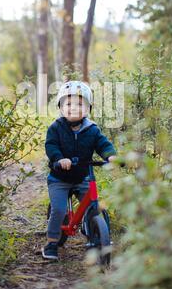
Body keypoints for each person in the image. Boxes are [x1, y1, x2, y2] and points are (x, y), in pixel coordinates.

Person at [42, 80, 117, 260]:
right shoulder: (56, 128)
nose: (73, 108)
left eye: (79, 104)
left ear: (88, 108)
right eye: (68, 104)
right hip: (59, 178)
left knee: (96, 206)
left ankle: (99, 234)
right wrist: (59, 159)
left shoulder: (92, 129)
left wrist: (111, 156)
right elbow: (51, 146)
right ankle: (52, 243)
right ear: (60, 107)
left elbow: (102, 144)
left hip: (83, 176)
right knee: (59, 210)